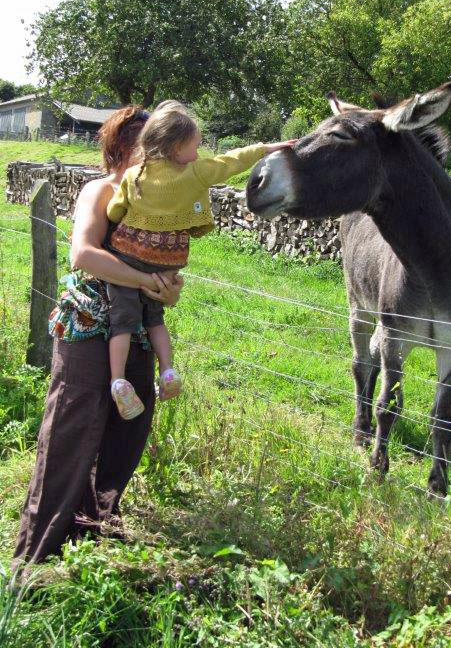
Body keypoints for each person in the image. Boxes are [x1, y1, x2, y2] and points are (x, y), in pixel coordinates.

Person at [13, 106, 183, 565]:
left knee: (127, 429)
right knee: (72, 432)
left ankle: (94, 526)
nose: (159, 158)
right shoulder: (100, 190)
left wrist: (167, 290)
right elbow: (83, 255)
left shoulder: (158, 203)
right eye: (150, 147)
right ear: (123, 148)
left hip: (136, 334)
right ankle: (35, 555)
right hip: (88, 327)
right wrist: (146, 282)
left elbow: (166, 283)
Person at [102, 101, 294, 418]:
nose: (199, 151)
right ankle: (167, 371)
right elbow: (233, 160)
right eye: (195, 145)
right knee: (155, 319)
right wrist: (268, 147)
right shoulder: (195, 173)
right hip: (166, 262)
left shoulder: (135, 174)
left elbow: (114, 211)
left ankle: (118, 380)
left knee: (120, 323)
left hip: (127, 259)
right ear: (177, 148)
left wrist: (121, 216)